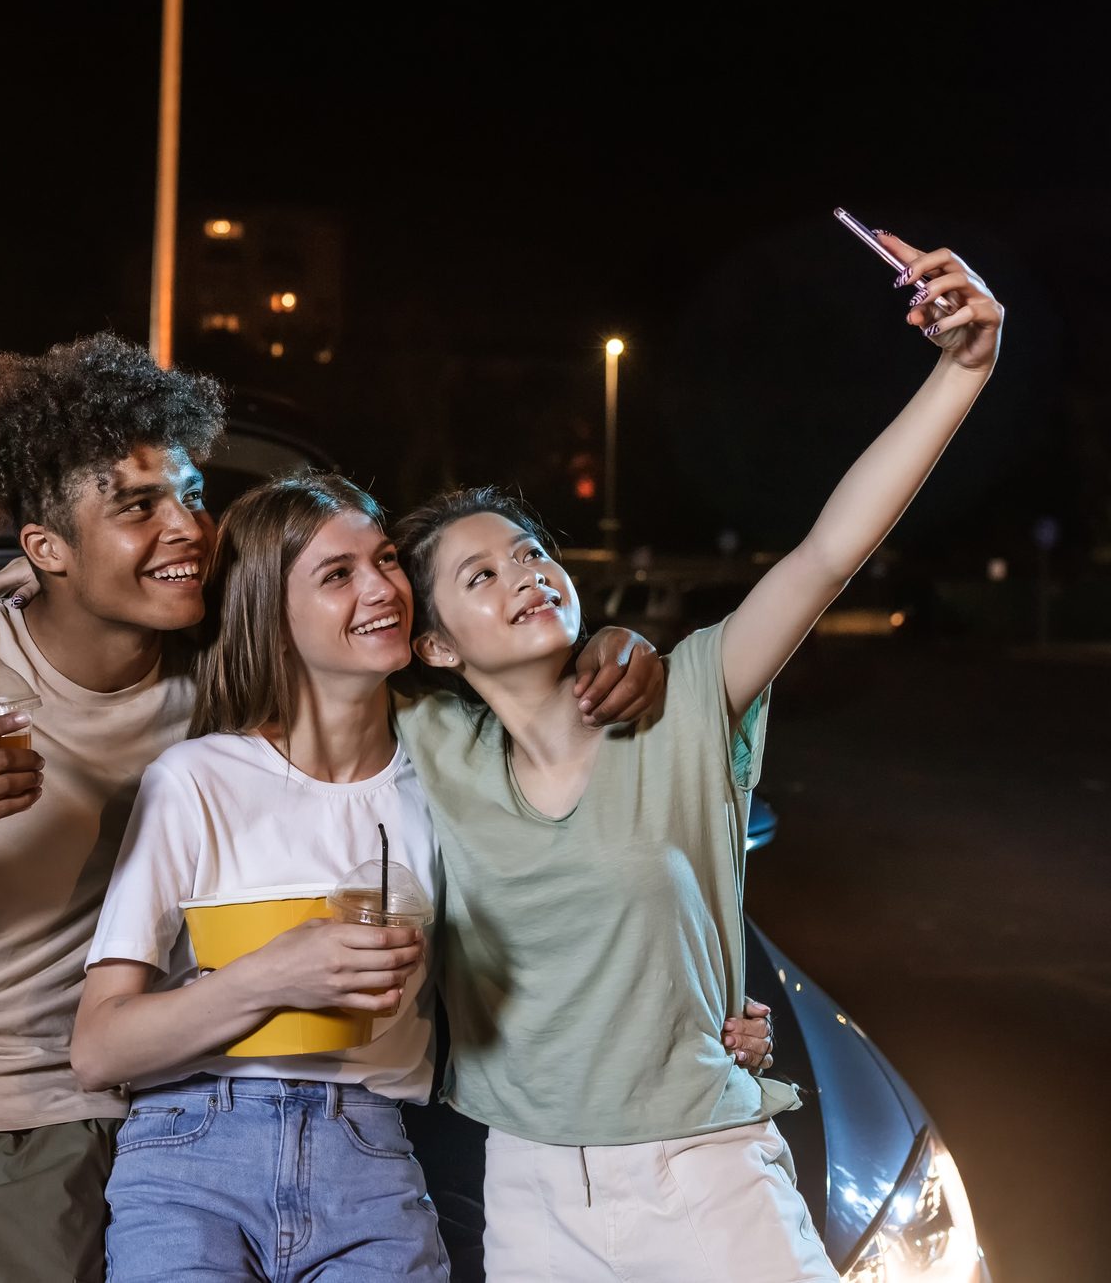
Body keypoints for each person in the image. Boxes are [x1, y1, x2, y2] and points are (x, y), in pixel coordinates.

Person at [0, 331, 669, 1280]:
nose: (185, 526)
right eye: (138, 506)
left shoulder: (220, 699)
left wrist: (602, 645)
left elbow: (416, 686)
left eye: (188, 494)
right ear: (45, 548)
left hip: (55, 1124)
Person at [391, 231, 1002, 1282]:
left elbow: (826, 551)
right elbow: (273, 649)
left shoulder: (688, 699)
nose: (525, 576)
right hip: (531, 1188)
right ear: (435, 644)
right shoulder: (423, 742)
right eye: (480, 576)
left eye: (531, 553)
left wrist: (963, 368)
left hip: (709, 1172)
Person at [68, 476, 776, 1282]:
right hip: (194, 1142)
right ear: (270, 610)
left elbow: (575, 905)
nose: (381, 588)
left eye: (386, 561)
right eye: (337, 575)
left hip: (371, 1154)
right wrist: (270, 975)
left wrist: (702, 1005)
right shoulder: (195, 779)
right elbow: (97, 1048)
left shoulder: (448, 779)